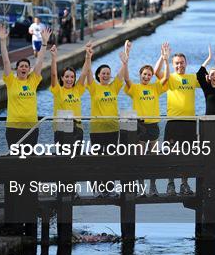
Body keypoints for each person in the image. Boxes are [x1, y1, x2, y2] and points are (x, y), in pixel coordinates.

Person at [124, 41, 170, 197]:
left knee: (152, 160)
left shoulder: (155, 88)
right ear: (140, 75)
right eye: (144, 74)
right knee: (140, 159)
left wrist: (165, 59)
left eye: (149, 75)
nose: (146, 76)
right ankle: (140, 187)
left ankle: (153, 187)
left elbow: (166, 78)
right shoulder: (135, 88)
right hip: (140, 126)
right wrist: (126, 58)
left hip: (153, 127)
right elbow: (126, 78)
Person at [86, 43, 128, 197]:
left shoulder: (113, 87)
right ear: (98, 75)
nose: (106, 75)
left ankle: (108, 189)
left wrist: (125, 61)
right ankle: (97, 189)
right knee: (97, 161)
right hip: (97, 130)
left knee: (110, 162)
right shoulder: (94, 88)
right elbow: (88, 72)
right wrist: (88, 57)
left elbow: (121, 75)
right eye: (103, 73)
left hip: (112, 129)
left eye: (108, 73)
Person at [155, 52, 200, 196]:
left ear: (186, 63)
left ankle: (184, 184)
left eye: (182, 62)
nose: (180, 65)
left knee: (187, 156)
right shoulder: (169, 78)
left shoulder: (193, 78)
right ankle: (170, 184)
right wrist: (163, 58)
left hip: (190, 123)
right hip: (173, 123)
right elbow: (156, 71)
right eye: (177, 63)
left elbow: (211, 81)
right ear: (173, 65)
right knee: (172, 155)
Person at [0, 23, 51, 148]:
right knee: (14, 160)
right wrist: (2, 40)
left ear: (29, 69)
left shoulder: (33, 80)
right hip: (13, 127)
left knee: (29, 160)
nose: (24, 68)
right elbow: (6, 61)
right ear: (16, 69)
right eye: (21, 66)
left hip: (31, 127)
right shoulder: (11, 81)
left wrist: (44, 43)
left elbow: (40, 61)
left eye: (26, 66)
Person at [50, 42, 92, 145]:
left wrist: (88, 57)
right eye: (67, 76)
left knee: (76, 158)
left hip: (77, 129)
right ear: (62, 78)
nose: (70, 79)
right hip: (61, 129)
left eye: (72, 77)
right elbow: (53, 74)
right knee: (63, 158)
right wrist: (54, 58)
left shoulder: (77, 89)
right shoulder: (57, 90)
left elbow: (84, 73)